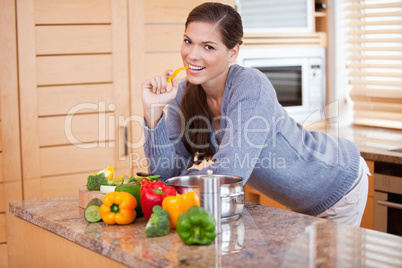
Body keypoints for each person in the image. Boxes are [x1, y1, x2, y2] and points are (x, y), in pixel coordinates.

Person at [141, 2, 370, 227]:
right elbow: (164, 177)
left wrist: (183, 178)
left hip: (338, 183)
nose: (192, 55)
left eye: (208, 46)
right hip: (301, 202)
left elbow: (228, 175)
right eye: (188, 41)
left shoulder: (250, 86)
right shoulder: (182, 93)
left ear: (233, 52)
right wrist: (154, 111)